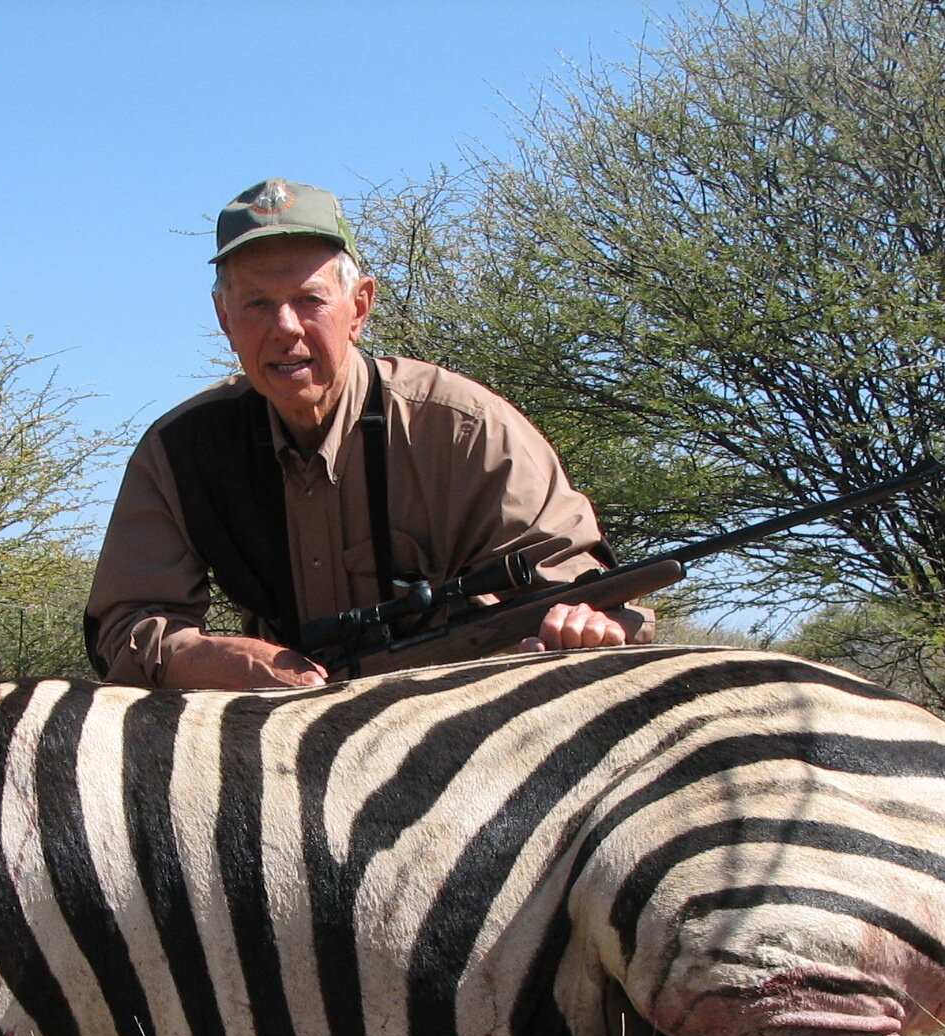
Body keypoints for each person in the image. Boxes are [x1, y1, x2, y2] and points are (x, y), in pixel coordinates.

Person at [85, 177, 649, 691]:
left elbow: (588, 589)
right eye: (257, 303)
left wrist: (589, 622)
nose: (285, 328)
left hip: (466, 714)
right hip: (282, 725)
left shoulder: (465, 427)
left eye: (309, 300)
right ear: (224, 318)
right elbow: (126, 626)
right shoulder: (179, 451)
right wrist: (224, 659)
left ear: (359, 307)